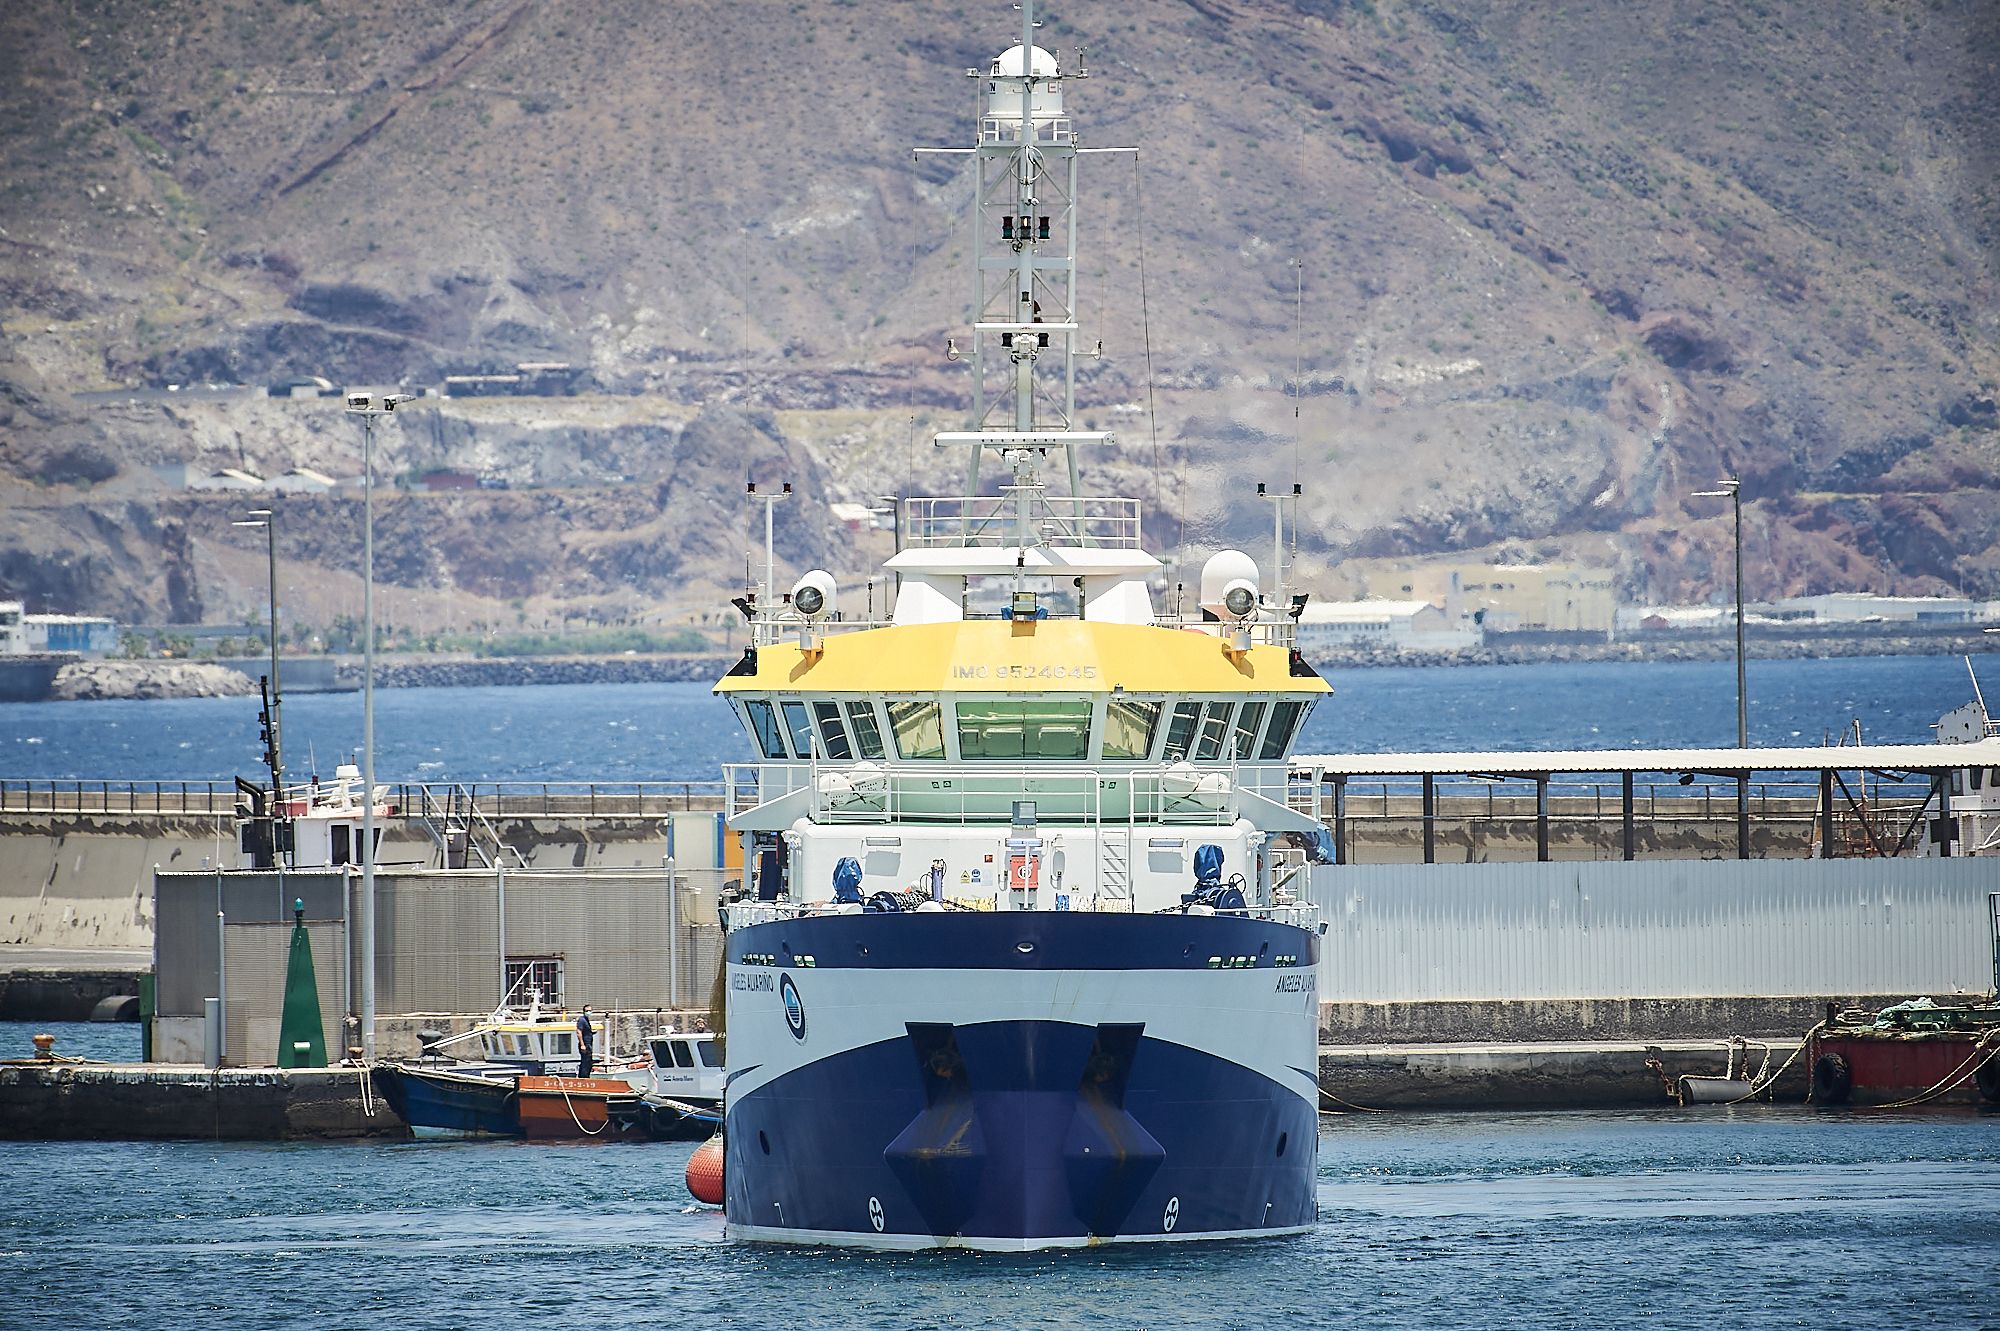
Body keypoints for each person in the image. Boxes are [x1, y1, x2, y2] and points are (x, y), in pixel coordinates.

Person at [576, 1005, 595, 1078]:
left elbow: (585, 1032)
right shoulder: (582, 1020)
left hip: (589, 1044)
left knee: (589, 1062)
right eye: (587, 1011)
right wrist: (582, 1045)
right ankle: (583, 1078)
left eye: (590, 1010)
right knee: (585, 1062)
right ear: (584, 1012)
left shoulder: (586, 1020)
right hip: (585, 1045)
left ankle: (586, 1076)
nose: (589, 1012)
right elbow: (578, 1032)